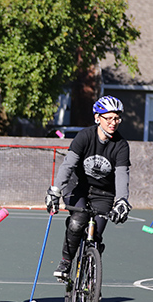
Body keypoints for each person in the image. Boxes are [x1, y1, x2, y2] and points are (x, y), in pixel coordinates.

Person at [45, 95, 132, 280]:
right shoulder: (84, 136)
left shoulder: (121, 145)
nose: (113, 122)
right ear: (97, 118)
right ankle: (66, 262)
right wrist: (55, 191)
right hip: (77, 188)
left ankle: (91, 278)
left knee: (96, 236)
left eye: (116, 118)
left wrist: (122, 200)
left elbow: (122, 174)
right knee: (78, 221)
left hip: (104, 194)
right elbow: (68, 165)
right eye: (108, 118)